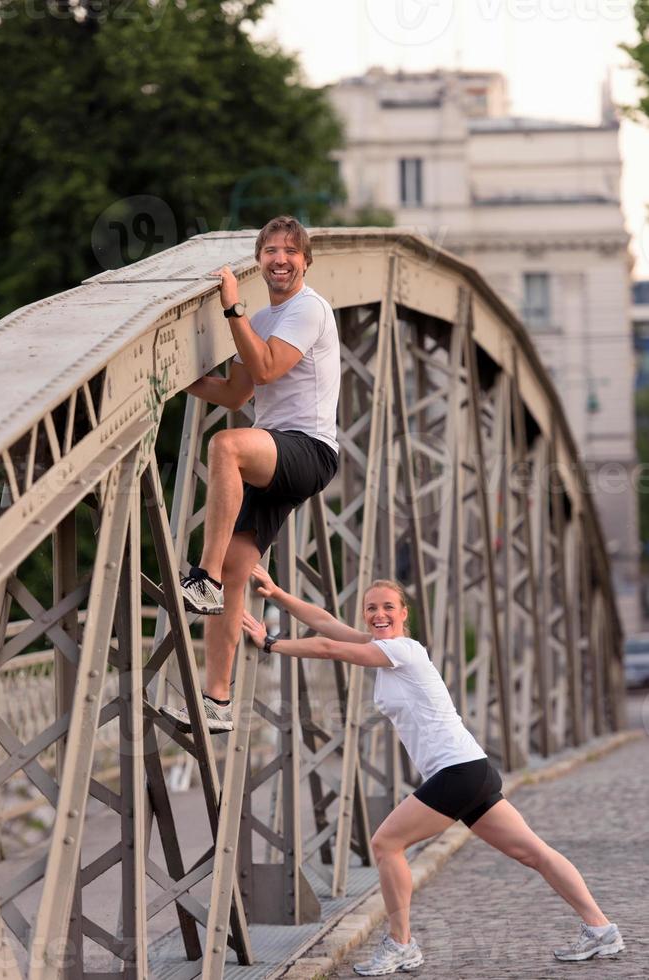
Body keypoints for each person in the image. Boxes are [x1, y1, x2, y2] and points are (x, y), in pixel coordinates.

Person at [241, 566, 625, 976]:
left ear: (404, 612)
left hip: (457, 771)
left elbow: (330, 649)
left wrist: (270, 644)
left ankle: (401, 943)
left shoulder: (403, 650)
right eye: (371, 609)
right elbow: (329, 626)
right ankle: (601, 929)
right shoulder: (383, 647)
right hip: (471, 769)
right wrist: (279, 595)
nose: (379, 614)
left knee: (386, 844)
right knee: (534, 853)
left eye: (388, 607)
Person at [160, 216, 340, 735]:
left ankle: (205, 577)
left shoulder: (309, 309)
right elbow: (236, 394)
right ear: (259, 260)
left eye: (290, 252)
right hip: (276, 454)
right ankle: (217, 700)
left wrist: (232, 304)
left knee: (226, 445)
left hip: (308, 450)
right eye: (271, 252)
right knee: (243, 567)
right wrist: (176, 380)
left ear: (305, 261)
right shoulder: (261, 320)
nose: (280, 260)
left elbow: (263, 371)